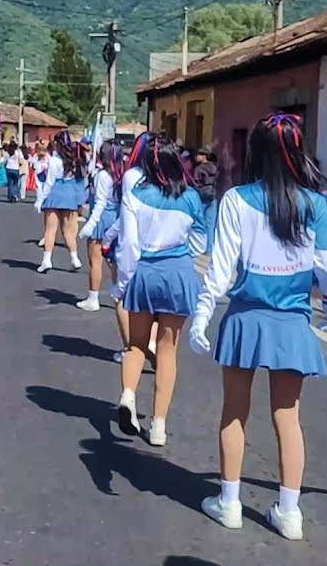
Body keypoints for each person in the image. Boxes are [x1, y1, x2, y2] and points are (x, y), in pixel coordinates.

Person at [188, 113, 327, 542]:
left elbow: (220, 268)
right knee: (287, 418)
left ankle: (229, 502)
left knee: (234, 412)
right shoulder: (316, 204)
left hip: (245, 319)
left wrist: (202, 314)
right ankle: (289, 512)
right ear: (298, 151)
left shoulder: (236, 200)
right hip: (292, 321)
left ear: (254, 152)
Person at [113, 132, 206, 447]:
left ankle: (128, 396)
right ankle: (159, 425)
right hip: (178, 274)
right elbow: (200, 241)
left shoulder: (136, 192)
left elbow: (128, 243)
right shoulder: (191, 197)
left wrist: (124, 283)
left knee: (137, 345)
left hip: (145, 272)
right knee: (167, 351)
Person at [77, 143, 123, 312]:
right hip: (117, 219)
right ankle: (119, 295)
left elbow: (100, 203)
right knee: (114, 261)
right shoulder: (122, 175)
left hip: (101, 220)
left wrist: (90, 224)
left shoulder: (103, 175)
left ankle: (93, 297)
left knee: (95, 260)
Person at [36, 132, 88, 273]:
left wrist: (40, 200)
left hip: (55, 193)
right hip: (69, 194)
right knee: (67, 230)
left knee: (50, 229)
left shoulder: (54, 159)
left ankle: (46, 260)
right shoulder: (74, 159)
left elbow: (49, 182)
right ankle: (74, 258)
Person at [194, 147, 220, 254]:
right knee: (211, 223)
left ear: (204, 156)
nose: (196, 157)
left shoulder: (199, 169)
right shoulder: (214, 168)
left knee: (199, 222)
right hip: (212, 195)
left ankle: (199, 246)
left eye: (198, 155)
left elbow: (196, 182)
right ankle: (209, 248)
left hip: (201, 196)